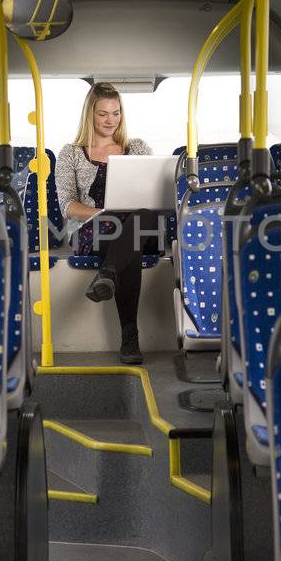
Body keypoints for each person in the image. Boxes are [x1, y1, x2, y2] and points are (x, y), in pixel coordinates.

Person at [56, 82, 165, 364]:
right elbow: (67, 206)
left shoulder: (138, 147)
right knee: (130, 240)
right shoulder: (70, 153)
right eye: (103, 114)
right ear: (89, 114)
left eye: (116, 113)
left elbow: (153, 194)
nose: (110, 120)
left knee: (143, 217)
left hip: (141, 224)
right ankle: (130, 337)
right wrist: (104, 213)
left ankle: (107, 273)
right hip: (95, 231)